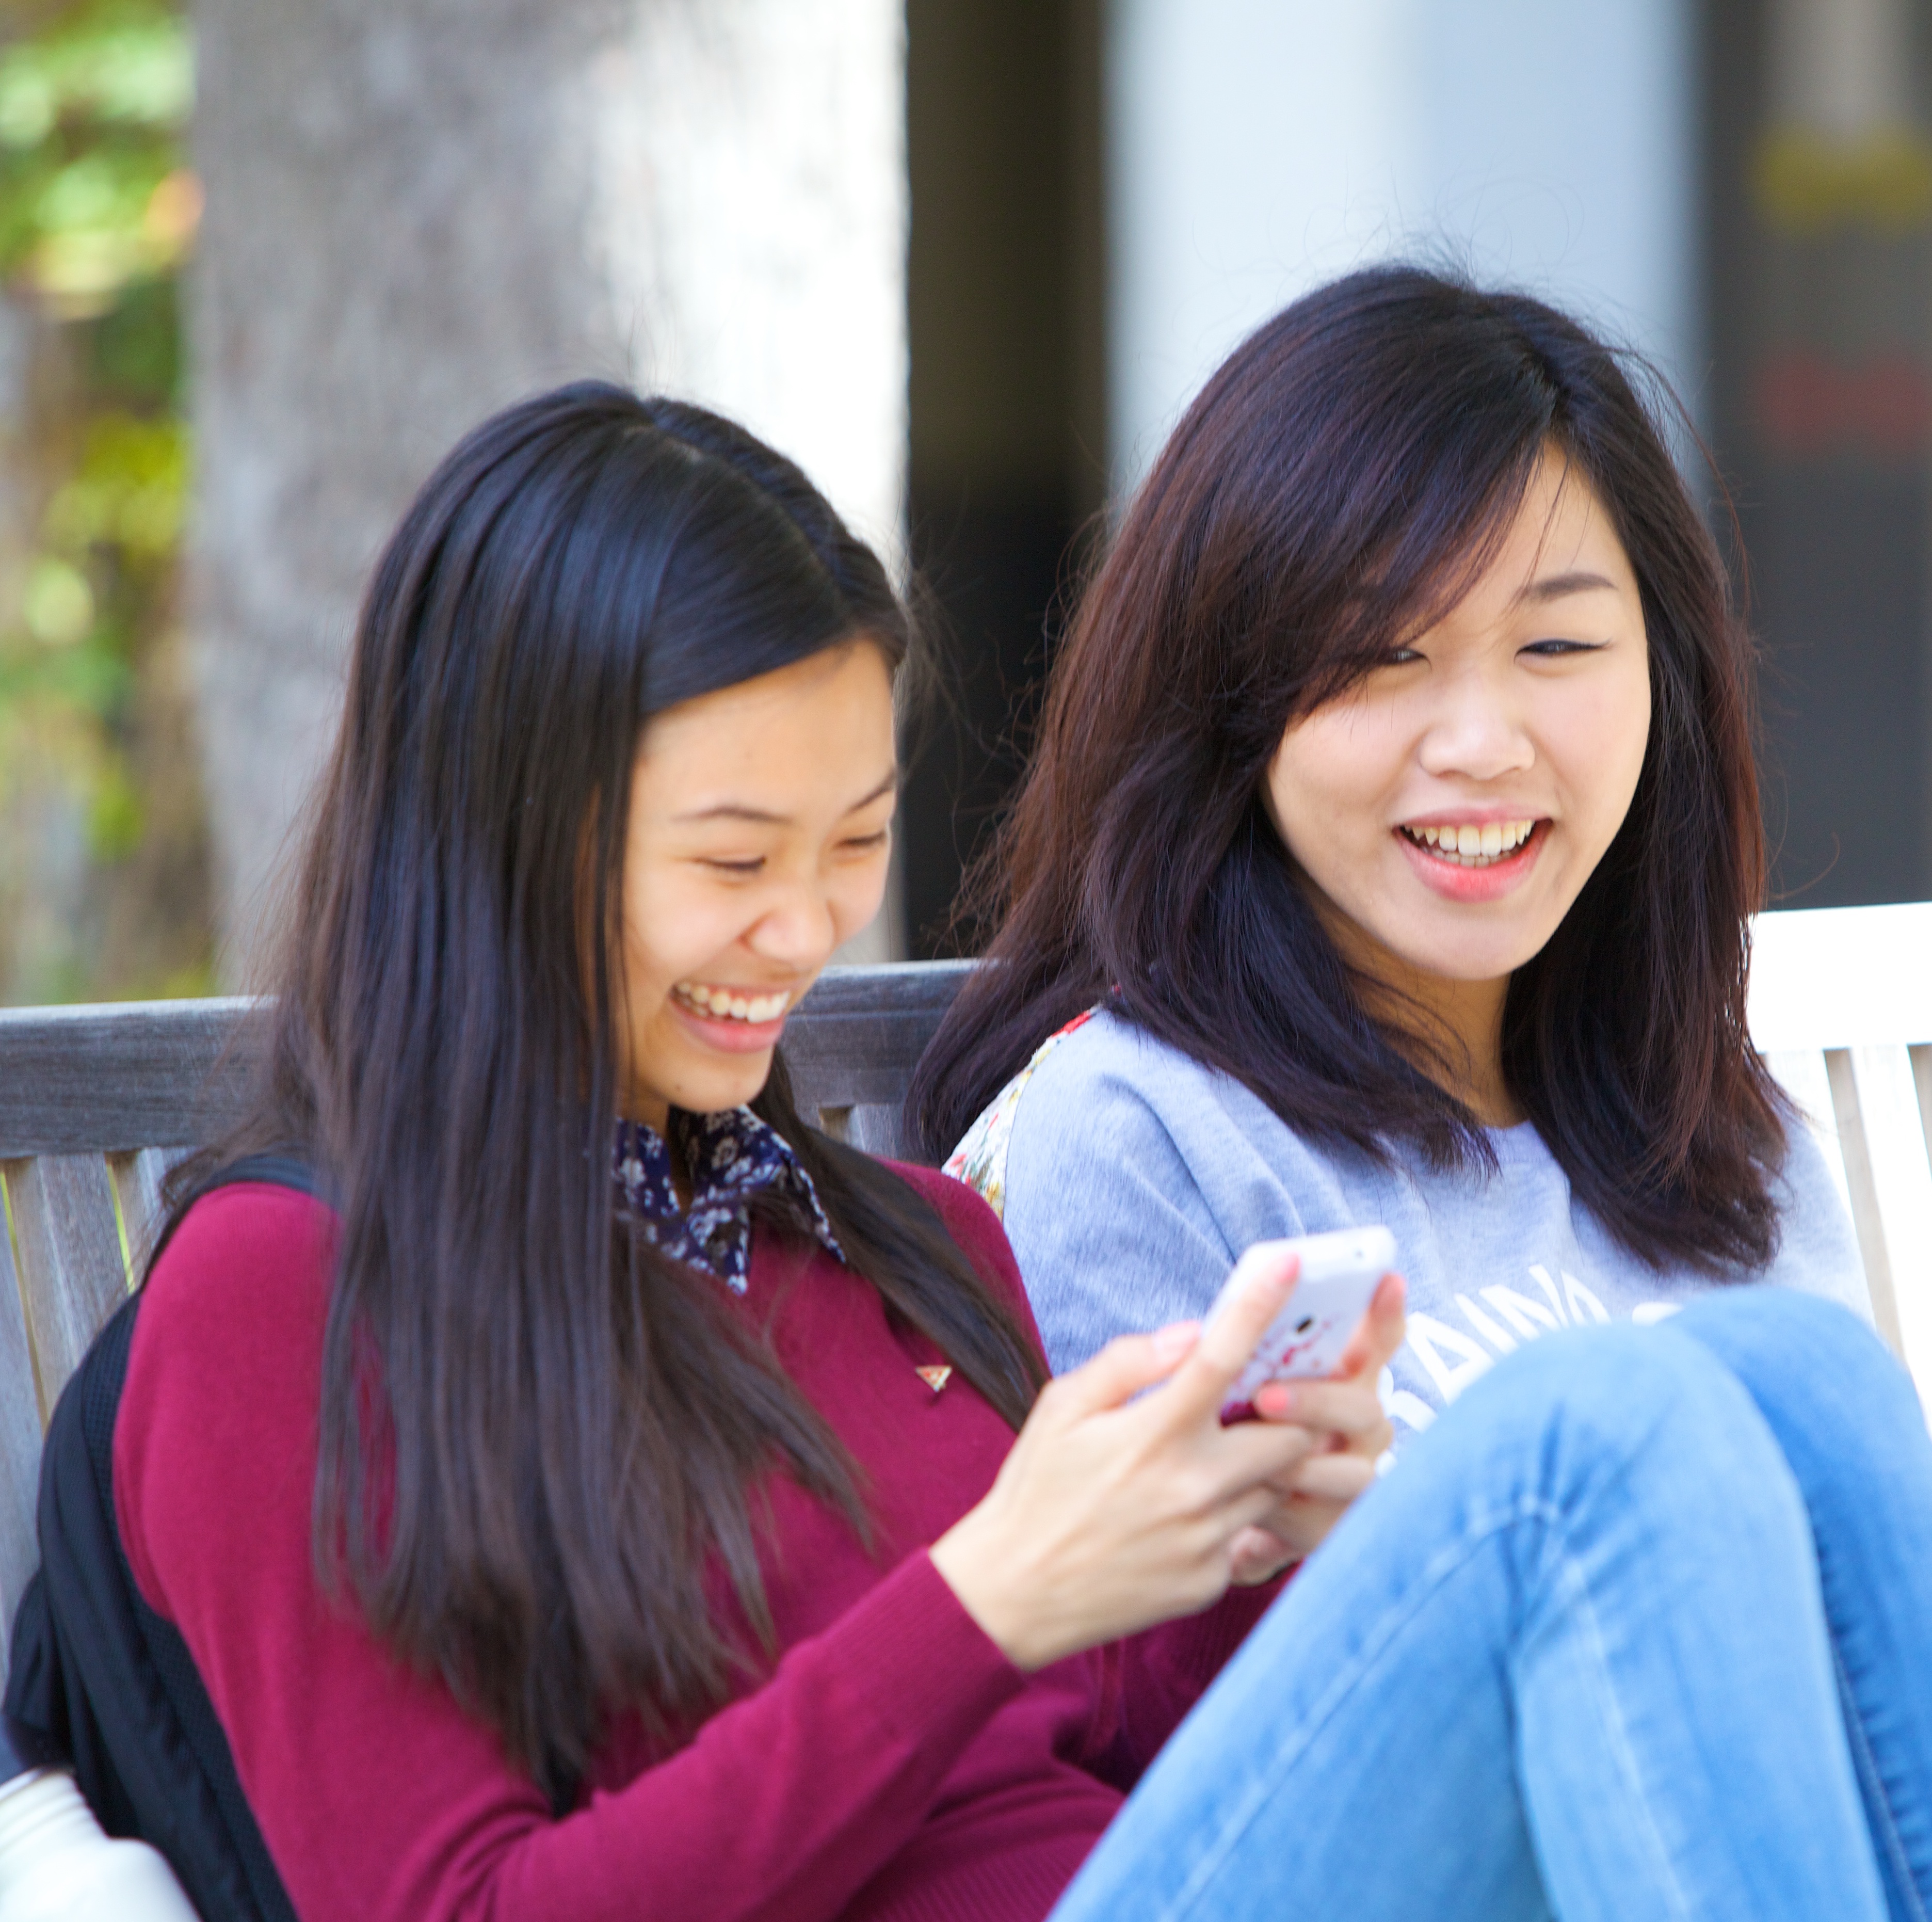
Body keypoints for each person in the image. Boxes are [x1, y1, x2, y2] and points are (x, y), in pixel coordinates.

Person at [111, 376, 1932, 1922]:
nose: (803, 929)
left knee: (1788, 1375)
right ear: (493, 834)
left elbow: (1109, 1745)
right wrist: (975, 1604)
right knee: (1583, 1446)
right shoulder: (289, 1293)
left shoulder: (891, 1243)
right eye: (735, 859)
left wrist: (1257, 1541)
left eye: (852, 845)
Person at [910, 265, 1870, 1444]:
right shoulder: (1142, 1133)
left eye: (1557, 643)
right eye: (1380, 655)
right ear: (1222, 696)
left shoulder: (1717, 1135)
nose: (1481, 745)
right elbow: (1171, 1620)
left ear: (1667, 678)